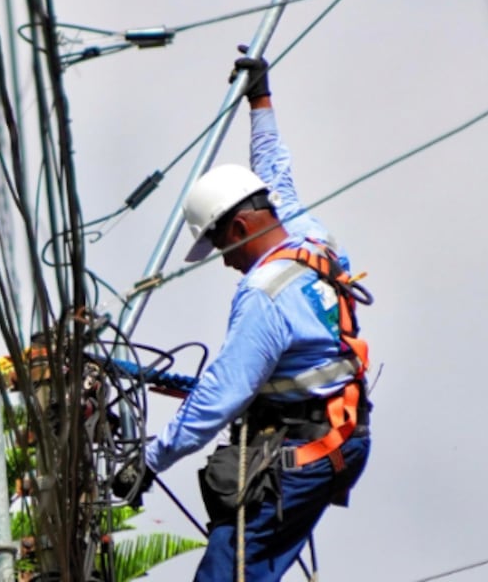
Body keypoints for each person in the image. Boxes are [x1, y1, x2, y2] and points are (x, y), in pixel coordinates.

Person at [119, 48, 372, 581]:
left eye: (220, 247)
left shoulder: (264, 294)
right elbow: (273, 168)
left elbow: (222, 393)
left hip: (311, 445)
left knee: (228, 569)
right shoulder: (305, 233)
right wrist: (260, 99)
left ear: (237, 229)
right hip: (340, 429)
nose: (225, 261)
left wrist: (149, 461)